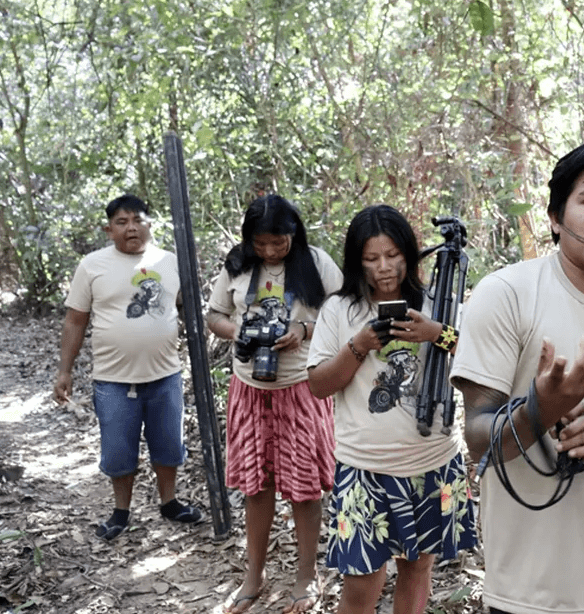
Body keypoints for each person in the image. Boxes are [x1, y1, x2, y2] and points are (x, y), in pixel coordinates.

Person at [450, 139, 584, 614]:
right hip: (531, 592)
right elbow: (480, 441)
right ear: (554, 217)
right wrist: (540, 408)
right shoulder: (507, 295)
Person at [307, 204, 478, 614]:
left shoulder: (442, 302)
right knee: (362, 583)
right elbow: (318, 384)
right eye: (371, 258)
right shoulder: (340, 310)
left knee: (418, 568)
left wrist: (438, 333)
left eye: (393, 255)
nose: (384, 267)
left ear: (409, 254)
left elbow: (484, 357)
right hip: (364, 466)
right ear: (356, 262)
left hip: (433, 462)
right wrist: (359, 345)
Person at [207, 194, 342, 614]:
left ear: (294, 233)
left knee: (304, 489)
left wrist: (303, 328)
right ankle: (255, 576)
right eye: (261, 243)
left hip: (301, 386)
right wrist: (239, 332)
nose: (269, 251)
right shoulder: (237, 264)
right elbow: (214, 315)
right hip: (250, 389)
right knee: (255, 485)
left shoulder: (316, 263)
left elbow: (345, 313)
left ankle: (306, 575)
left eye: (278, 243)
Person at [53, 194, 203, 542]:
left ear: (150, 223)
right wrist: (65, 370)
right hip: (113, 379)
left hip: (165, 373)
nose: (131, 227)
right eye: (122, 222)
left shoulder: (170, 261)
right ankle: (121, 512)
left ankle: (170, 502)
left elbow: (187, 309)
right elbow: (75, 321)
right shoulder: (92, 266)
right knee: (119, 450)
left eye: (137, 219)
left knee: (168, 445)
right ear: (109, 230)